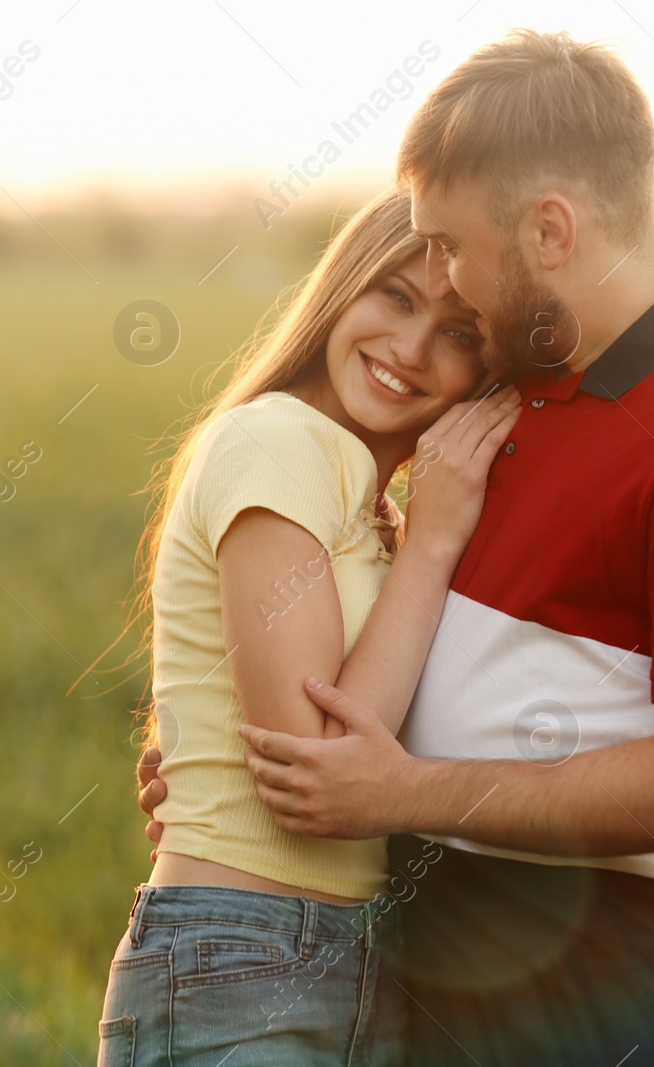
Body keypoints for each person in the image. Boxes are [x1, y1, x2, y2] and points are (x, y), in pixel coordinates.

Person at [138, 30, 654, 1066]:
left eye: (453, 248)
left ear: (549, 231)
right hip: (434, 974)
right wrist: (220, 762)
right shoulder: (506, 399)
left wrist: (394, 792)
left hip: (627, 996)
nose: (447, 282)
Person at [94, 188, 521, 1067]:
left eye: (457, 333)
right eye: (395, 298)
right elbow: (314, 765)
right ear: (341, 288)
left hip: (356, 960)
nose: (410, 348)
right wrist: (435, 539)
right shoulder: (278, 444)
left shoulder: (374, 509)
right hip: (238, 957)